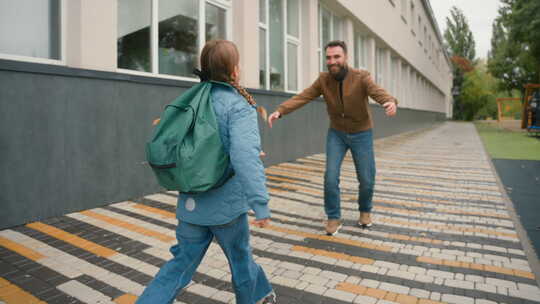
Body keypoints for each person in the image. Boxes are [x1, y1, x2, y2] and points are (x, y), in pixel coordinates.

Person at [136, 40, 276, 304]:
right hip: (226, 209)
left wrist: (240, 153)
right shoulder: (238, 106)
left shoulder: (194, 99)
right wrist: (260, 204)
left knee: (179, 265)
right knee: (241, 261)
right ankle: (255, 298)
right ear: (234, 71)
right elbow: (245, 158)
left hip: (190, 205)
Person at [268, 40, 397, 236]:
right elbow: (303, 96)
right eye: (328, 58)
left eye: (337, 57)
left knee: (366, 178)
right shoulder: (323, 80)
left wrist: (389, 101)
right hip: (336, 133)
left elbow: (377, 92)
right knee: (330, 177)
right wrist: (280, 111)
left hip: (361, 132)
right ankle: (333, 217)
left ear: (345, 57)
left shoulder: (361, 77)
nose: (332, 61)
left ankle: (365, 211)